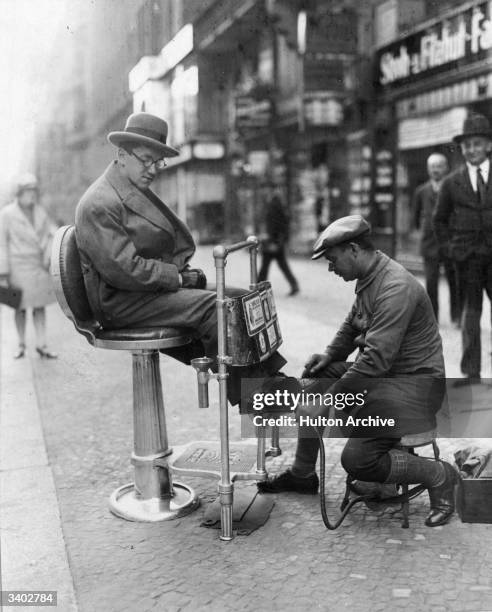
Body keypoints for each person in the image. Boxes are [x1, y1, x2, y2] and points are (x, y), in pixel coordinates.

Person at [258, 215, 458, 528]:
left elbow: (375, 361)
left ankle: (440, 474)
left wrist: (330, 399)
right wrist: (329, 356)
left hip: (414, 391)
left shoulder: (394, 287)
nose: (330, 267)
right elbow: (352, 325)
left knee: (357, 460)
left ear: (353, 249)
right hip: (390, 379)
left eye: (332, 259)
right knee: (318, 379)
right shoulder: (370, 276)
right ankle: (302, 474)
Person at [74, 112, 287, 404]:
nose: (153, 168)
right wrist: (176, 277)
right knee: (218, 307)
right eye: (147, 159)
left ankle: (272, 380)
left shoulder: (129, 187)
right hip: (120, 301)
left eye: (158, 161)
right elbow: (124, 270)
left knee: (238, 297)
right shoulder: (101, 202)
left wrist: (180, 277)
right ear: (122, 155)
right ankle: (256, 396)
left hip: (141, 291)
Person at [434, 114, 492, 387]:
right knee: (471, 312)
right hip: (467, 259)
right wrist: (450, 250)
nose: (471, 150)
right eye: (467, 145)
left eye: (477, 144)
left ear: (488, 145)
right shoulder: (451, 182)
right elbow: (439, 220)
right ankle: (471, 372)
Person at [0, 174, 57, 359]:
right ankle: (21, 345)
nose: (32, 195)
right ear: (19, 193)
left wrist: (50, 254)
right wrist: (3, 272)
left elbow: (52, 233)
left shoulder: (40, 211)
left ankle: (42, 344)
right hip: (18, 267)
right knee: (20, 307)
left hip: (38, 265)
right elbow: (1, 243)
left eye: (34, 191)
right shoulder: (7, 214)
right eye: (28, 192)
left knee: (39, 306)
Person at [413, 153, 461, 324]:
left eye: (439, 166)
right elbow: (416, 217)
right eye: (432, 166)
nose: (435, 170)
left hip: (449, 241)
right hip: (429, 243)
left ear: (446, 168)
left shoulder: (454, 188)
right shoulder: (421, 191)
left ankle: (456, 316)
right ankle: (433, 318)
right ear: (428, 169)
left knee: (453, 280)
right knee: (431, 282)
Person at [258, 191, 299, 296]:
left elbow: (274, 227)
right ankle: (294, 285)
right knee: (281, 266)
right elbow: (283, 226)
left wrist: (273, 241)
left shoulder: (273, 207)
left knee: (265, 267)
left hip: (272, 242)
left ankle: (257, 288)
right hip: (276, 242)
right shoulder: (279, 207)